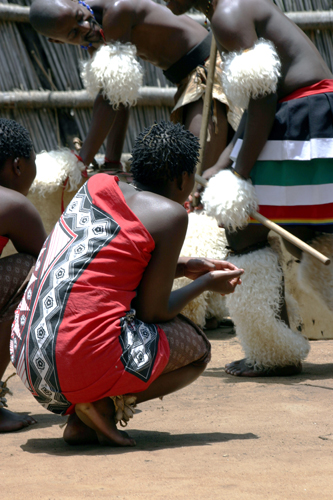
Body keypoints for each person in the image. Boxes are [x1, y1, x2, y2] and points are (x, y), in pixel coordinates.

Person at [10, 121, 243, 447]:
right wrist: (205, 284)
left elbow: (108, 267)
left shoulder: (97, 185)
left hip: (30, 361)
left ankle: (79, 419)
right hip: (72, 362)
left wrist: (185, 267)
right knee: (197, 349)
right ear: (183, 179)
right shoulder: (171, 215)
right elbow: (154, 310)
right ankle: (100, 407)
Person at [167, 0, 333, 376]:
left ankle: (272, 351)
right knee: (309, 231)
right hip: (302, 115)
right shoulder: (227, 12)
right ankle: (273, 347)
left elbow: (263, 100)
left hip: (302, 118)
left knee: (242, 228)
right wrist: (223, 163)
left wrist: (238, 177)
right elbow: (259, 105)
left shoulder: (229, 15)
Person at [28, 0, 242, 175]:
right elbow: (120, 97)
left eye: (79, 16)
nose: (85, 26)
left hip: (210, 70)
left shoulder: (116, 11)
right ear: (57, 42)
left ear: (78, 2)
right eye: (74, 33)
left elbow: (110, 96)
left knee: (193, 173)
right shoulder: (95, 36)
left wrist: (80, 163)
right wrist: (112, 163)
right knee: (188, 174)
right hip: (190, 80)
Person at [0, 118, 47, 432]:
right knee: (34, 272)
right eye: (33, 161)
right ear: (18, 166)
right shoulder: (14, 205)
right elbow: (52, 265)